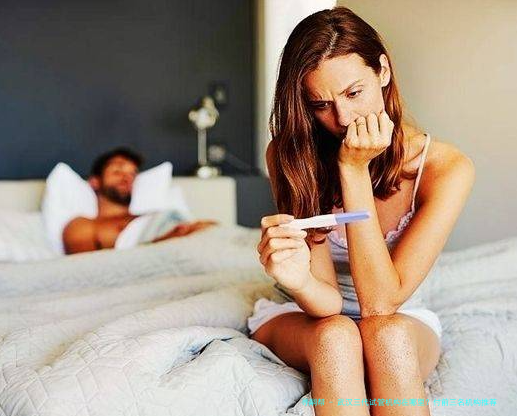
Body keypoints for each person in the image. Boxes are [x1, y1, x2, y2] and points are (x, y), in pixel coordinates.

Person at [249, 7, 475, 416]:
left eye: (354, 93)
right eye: (321, 104)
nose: (342, 118)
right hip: (310, 314)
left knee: (388, 336)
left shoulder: (445, 168)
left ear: (383, 72)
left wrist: (352, 171)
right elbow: (325, 304)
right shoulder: (290, 155)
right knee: (337, 337)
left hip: (399, 313)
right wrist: (298, 280)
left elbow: (380, 305)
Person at [62, 147, 216, 254]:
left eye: (132, 174)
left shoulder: (153, 216)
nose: (126, 178)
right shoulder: (83, 225)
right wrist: (163, 243)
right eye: (117, 171)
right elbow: (84, 273)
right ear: (95, 182)